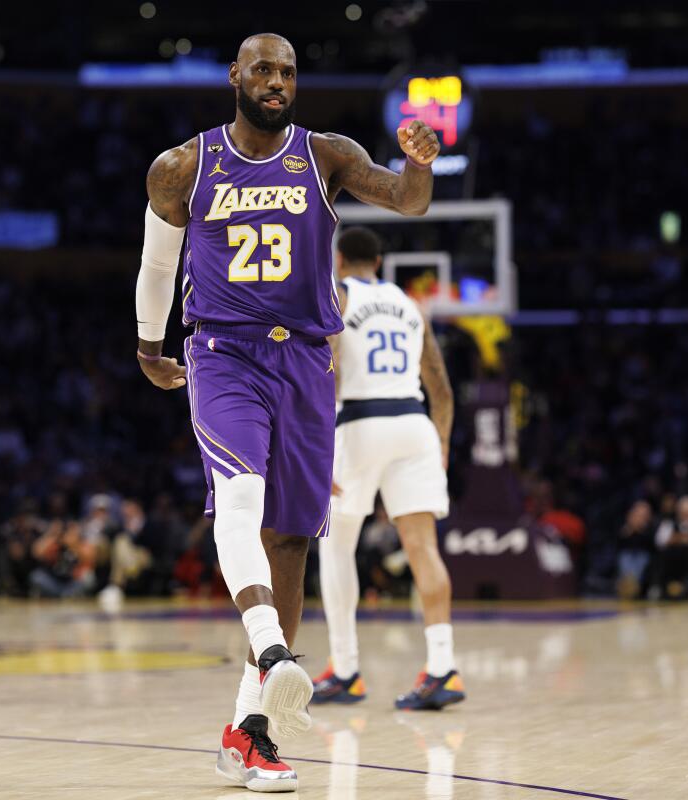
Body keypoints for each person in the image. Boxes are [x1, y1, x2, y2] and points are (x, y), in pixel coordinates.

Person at [135, 33, 438, 792]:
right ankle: (274, 652)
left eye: (289, 72)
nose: (277, 82)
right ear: (235, 76)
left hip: (306, 358)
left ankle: (251, 733)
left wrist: (420, 164)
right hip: (223, 353)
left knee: (294, 540)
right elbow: (157, 265)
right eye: (263, 70)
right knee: (238, 496)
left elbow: (405, 200)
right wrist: (148, 346)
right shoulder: (184, 165)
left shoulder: (325, 154)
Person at [310, 226, 463, 711]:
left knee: (336, 549)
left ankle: (347, 670)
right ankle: (443, 668)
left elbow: (327, 369)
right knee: (423, 548)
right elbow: (439, 384)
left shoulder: (338, 295)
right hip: (414, 423)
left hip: (358, 424)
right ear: (379, 263)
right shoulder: (411, 304)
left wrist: (318, 448)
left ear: (339, 261)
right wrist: (440, 442)